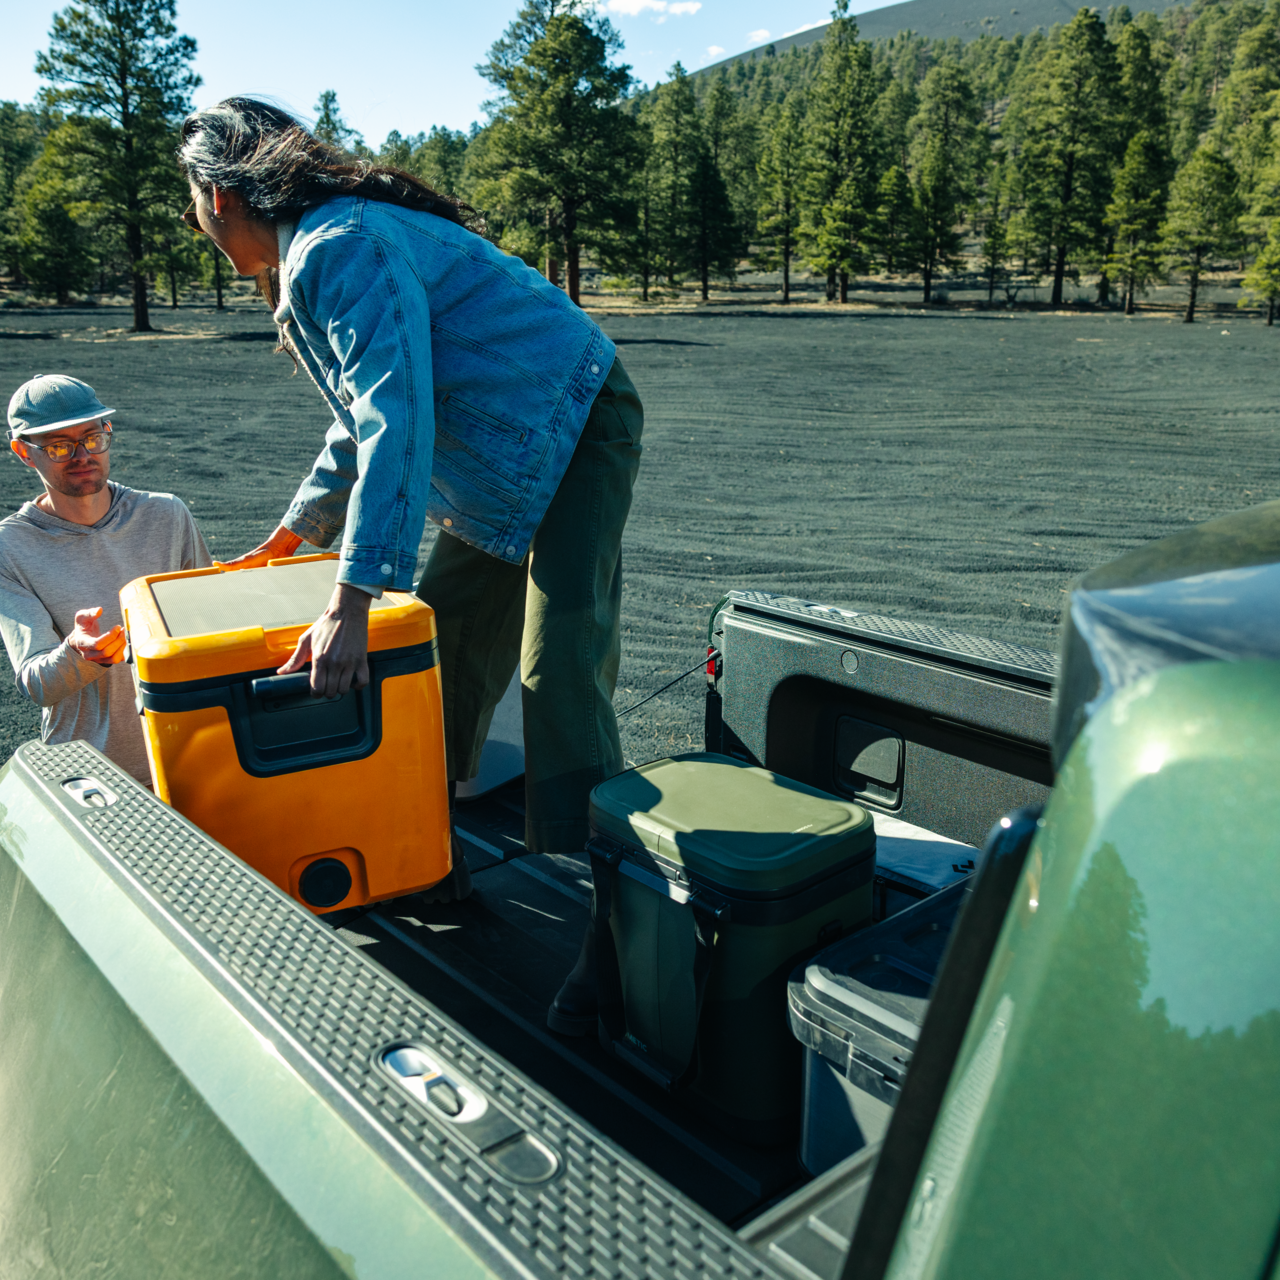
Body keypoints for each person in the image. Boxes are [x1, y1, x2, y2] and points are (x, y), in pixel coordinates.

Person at [179, 99, 643, 1025]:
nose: (197, 224)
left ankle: (620, 941)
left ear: (218, 197)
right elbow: (361, 419)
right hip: (498, 452)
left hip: (574, 416)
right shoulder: (312, 254)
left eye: (192, 205)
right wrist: (294, 535)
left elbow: (397, 417)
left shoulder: (339, 246)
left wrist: (351, 600)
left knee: (559, 668)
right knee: (442, 651)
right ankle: (428, 861)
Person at [0, 375, 211, 783]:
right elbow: (36, 683)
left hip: (189, 758)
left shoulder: (167, 515)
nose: (82, 455)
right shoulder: (10, 548)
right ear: (24, 452)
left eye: (93, 437)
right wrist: (79, 655)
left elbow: (210, 627)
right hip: (91, 775)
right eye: (59, 446)